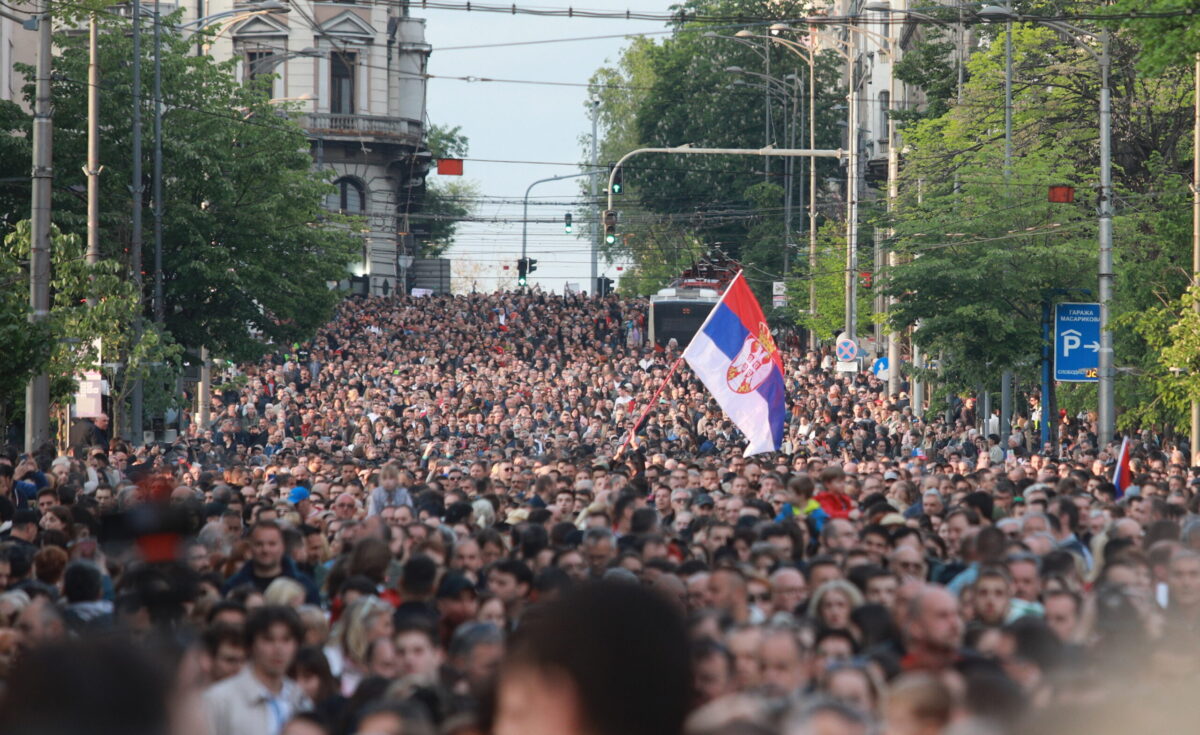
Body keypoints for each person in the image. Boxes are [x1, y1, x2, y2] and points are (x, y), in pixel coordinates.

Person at [204, 605, 310, 735]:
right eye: (268, 639)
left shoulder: (300, 698)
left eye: (286, 640)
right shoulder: (219, 700)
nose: (278, 649)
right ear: (251, 645)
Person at [224, 522, 320, 604]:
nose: (265, 550)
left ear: (282, 546)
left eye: (272, 544)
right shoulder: (234, 586)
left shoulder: (304, 585)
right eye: (259, 544)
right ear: (251, 548)